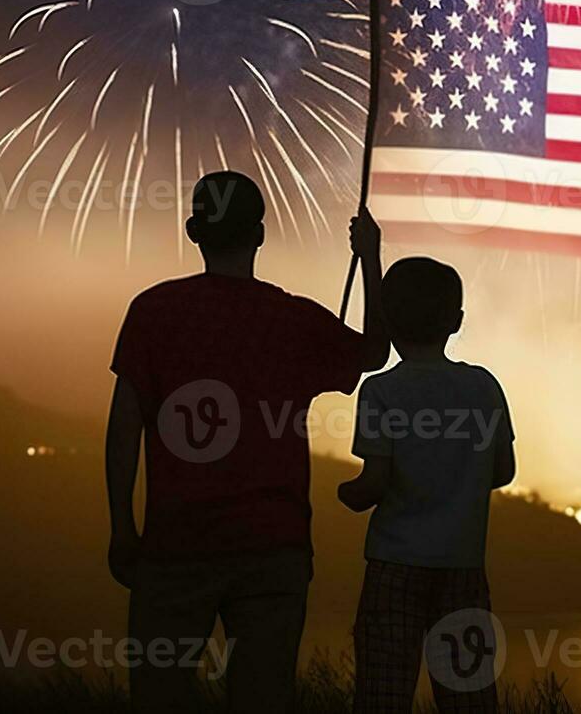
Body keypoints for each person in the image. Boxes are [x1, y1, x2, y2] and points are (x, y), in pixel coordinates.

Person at [105, 171, 391, 713]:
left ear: (193, 231)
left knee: (159, 698)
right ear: (259, 234)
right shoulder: (292, 319)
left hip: (175, 545)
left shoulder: (152, 312)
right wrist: (371, 256)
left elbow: (124, 428)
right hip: (272, 546)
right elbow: (375, 351)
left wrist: (123, 524)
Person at [337, 257, 515, 714]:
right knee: (469, 696)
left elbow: (374, 482)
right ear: (456, 322)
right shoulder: (483, 388)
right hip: (463, 566)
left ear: (389, 320)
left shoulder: (380, 392)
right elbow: (503, 471)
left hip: (394, 567)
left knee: (383, 692)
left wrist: (346, 493)